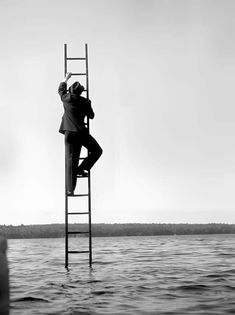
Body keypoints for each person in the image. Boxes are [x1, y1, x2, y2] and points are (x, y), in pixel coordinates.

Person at [58, 72, 102, 195]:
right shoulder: (85, 101)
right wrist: (89, 105)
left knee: (70, 160)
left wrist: (66, 78)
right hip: (81, 133)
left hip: (69, 134)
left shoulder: (67, 98)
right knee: (97, 151)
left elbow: (60, 88)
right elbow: (91, 116)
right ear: (81, 92)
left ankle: (70, 189)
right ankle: (82, 168)